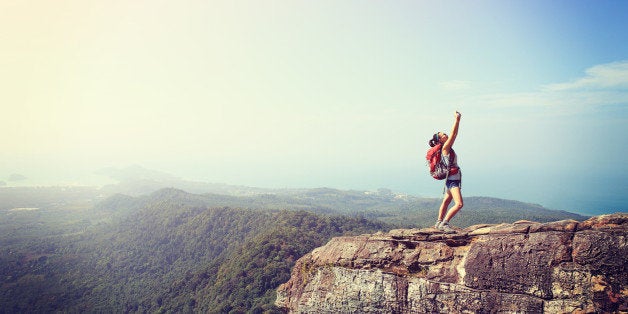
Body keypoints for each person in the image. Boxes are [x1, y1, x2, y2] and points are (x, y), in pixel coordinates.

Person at [429, 111, 463, 233]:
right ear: (441, 140)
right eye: (443, 134)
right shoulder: (445, 148)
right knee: (459, 204)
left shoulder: (444, 148)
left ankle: (438, 222)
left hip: (451, 178)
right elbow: (454, 134)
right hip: (453, 179)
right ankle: (445, 223)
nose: (446, 134)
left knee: (446, 201)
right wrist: (457, 120)